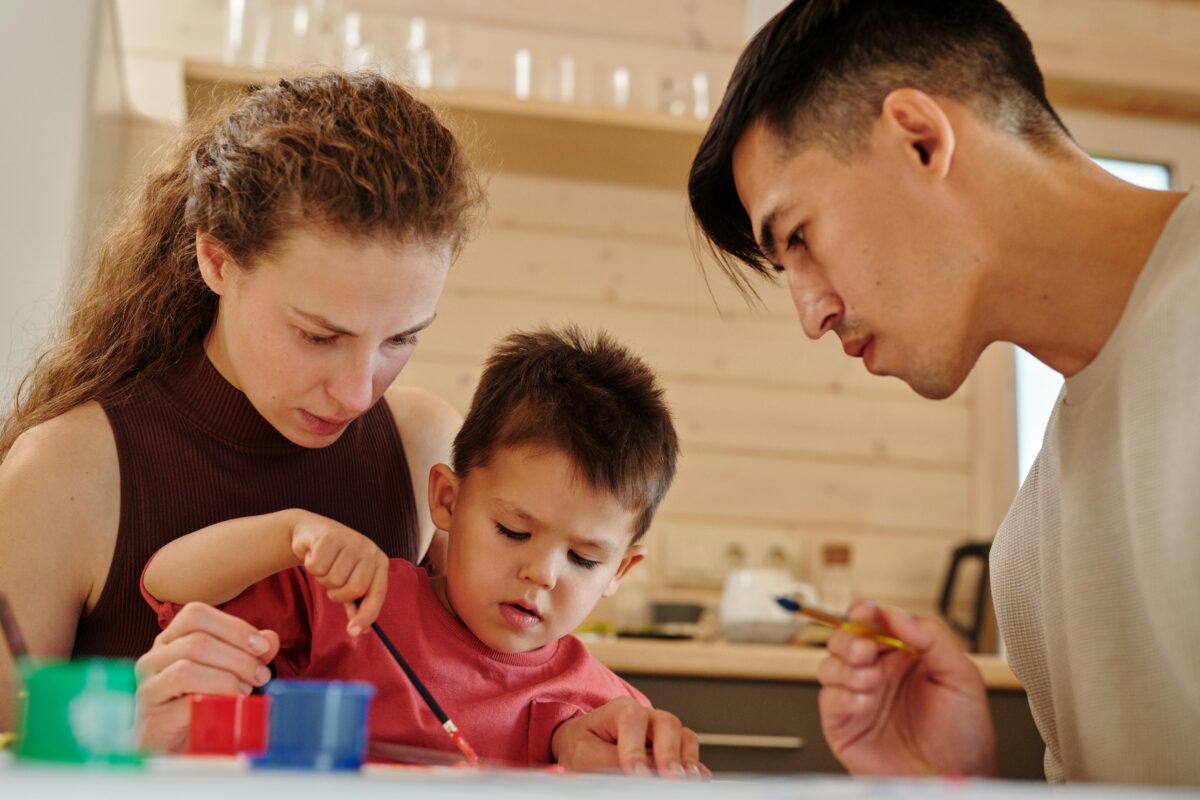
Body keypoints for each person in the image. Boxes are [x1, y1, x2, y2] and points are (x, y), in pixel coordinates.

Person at [0, 71, 701, 774]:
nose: (359, 394)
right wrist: (118, 731)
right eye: (319, 335)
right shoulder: (65, 471)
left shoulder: (421, 441)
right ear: (215, 257)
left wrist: (574, 728)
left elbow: (473, 677)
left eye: (401, 339)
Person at [687, 0, 1198, 786]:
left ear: (920, 140)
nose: (812, 313)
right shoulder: (1031, 553)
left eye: (799, 238)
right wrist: (952, 786)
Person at [140, 327, 704, 773]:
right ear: (448, 501)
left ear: (620, 571)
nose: (542, 574)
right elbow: (167, 584)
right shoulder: (355, 600)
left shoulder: (612, 716)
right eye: (512, 530)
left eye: (583, 560)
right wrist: (287, 533)